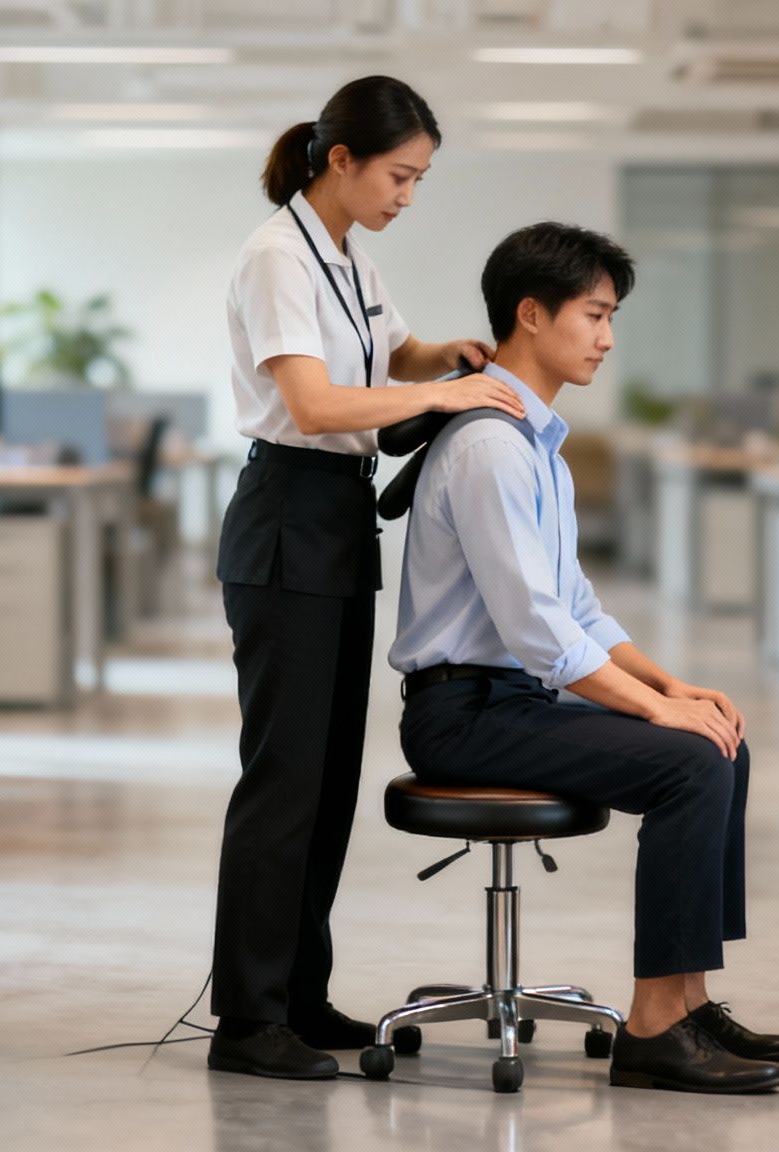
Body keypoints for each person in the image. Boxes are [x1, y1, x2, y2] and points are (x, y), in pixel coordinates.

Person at [389, 222, 779, 1094]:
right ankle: (653, 1030)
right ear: (530, 316)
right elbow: (537, 629)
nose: (608, 338)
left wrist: (672, 684)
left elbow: (576, 606)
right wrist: (653, 712)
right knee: (689, 764)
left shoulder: (538, 445)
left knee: (720, 738)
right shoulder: (491, 445)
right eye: (595, 315)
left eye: (613, 317)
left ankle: (686, 999)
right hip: (464, 716)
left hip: (512, 703)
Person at [210, 76, 528, 1082]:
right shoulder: (276, 256)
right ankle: (247, 1019)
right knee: (282, 783)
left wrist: (450, 357)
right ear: (340, 159)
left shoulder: (348, 258)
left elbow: (394, 350)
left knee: (327, 780)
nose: (406, 194)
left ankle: (299, 996)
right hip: (286, 522)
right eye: (398, 174)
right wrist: (444, 392)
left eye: (420, 179)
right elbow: (308, 402)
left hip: (337, 525)